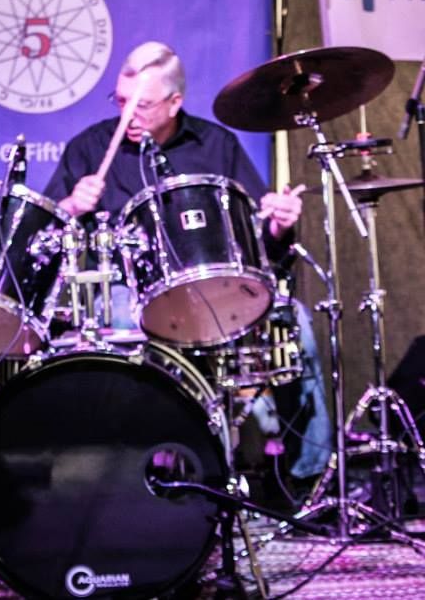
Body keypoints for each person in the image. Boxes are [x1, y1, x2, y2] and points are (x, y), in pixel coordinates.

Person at [44, 41, 331, 483]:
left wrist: (278, 226)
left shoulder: (215, 145)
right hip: (129, 293)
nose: (128, 115)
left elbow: (259, 244)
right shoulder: (90, 149)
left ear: (175, 102)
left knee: (296, 326)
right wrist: (70, 206)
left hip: (216, 290)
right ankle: (132, 477)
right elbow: (43, 237)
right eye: (121, 101)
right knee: (118, 325)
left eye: (142, 105)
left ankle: (306, 479)